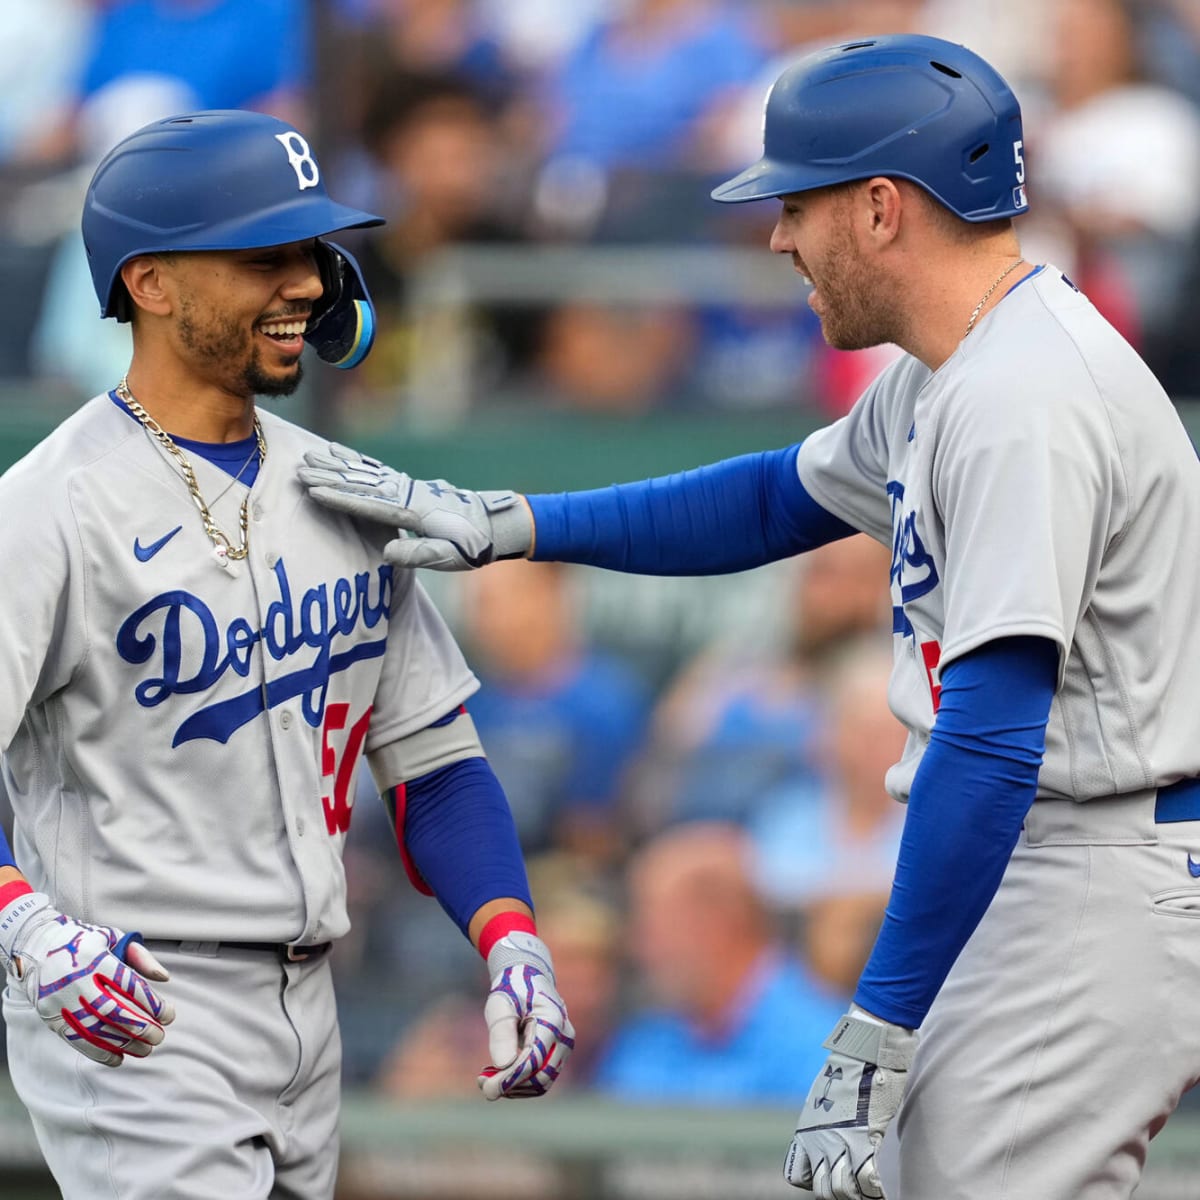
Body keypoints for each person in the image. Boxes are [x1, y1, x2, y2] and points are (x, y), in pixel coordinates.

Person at [299, 33, 1200, 1200]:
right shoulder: (959, 369)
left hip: (1088, 870)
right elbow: (773, 499)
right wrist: (514, 519)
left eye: (798, 204)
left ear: (881, 209)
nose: (777, 237)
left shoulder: (1024, 395)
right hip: (1046, 866)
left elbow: (991, 735)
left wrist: (877, 1022)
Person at [0, 109, 572, 1200]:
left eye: (311, 252)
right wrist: (20, 918)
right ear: (153, 282)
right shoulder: (47, 510)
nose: (308, 282)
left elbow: (435, 763)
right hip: (136, 999)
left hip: (314, 1008)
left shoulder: (344, 490)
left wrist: (510, 937)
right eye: (264, 256)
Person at [589, 821, 845, 1106]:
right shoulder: (648, 1041)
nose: (638, 948)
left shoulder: (824, 1048)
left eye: (652, 927)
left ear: (714, 920)